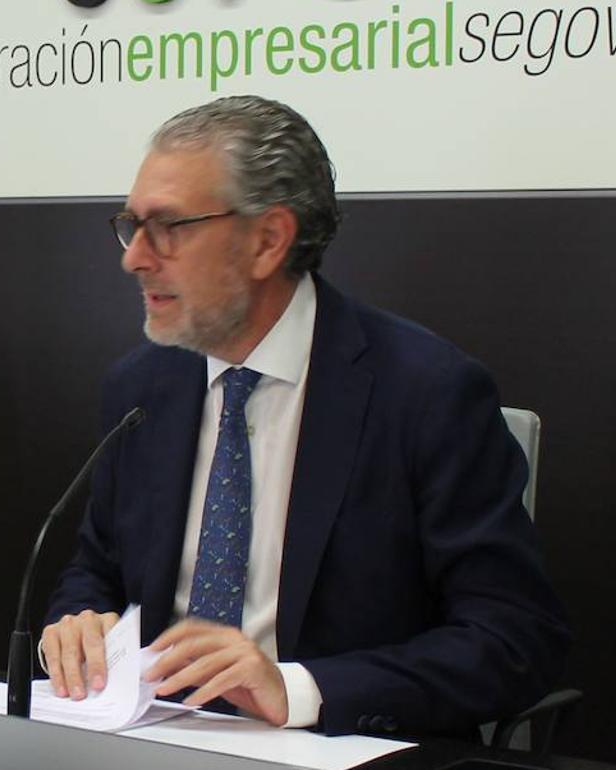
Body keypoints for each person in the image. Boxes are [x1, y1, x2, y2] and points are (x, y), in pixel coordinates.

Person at [41, 96, 569, 738]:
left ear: (268, 240)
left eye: (169, 227)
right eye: (132, 225)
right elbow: (95, 571)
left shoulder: (426, 393)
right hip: (153, 736)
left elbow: (515, 639)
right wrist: (80, 628)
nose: (135, 257)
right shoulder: (142, 387)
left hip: (331, 744)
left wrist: (296, 688)